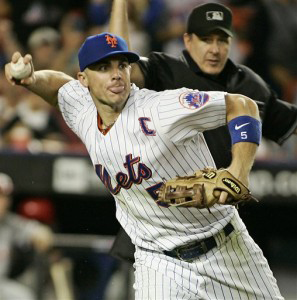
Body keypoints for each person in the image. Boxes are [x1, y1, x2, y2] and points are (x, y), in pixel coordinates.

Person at [5, 31, 283, 299]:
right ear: (83, 80)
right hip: (158, 261)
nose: (116, 74)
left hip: (226, 248)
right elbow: (57, 87)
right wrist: (31, 78)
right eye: (103, 67)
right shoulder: (82, 108)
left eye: (122, 65)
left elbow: (242, 105)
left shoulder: (162, 109)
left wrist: (239, 171)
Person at [107, 0, 297, 263]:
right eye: (206, 39)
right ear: (188, 40)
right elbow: (117, 65)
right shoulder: (164, 70)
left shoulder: (247, 84)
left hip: (217, 227)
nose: (215, 49)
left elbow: (290, 121)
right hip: (159, 223)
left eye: (222, 40)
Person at [0, 172, 54, 300]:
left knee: (24, 297)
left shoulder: (9, 224)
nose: (2, 201)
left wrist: (40, 234)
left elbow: (41, 233)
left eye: (4, 197)